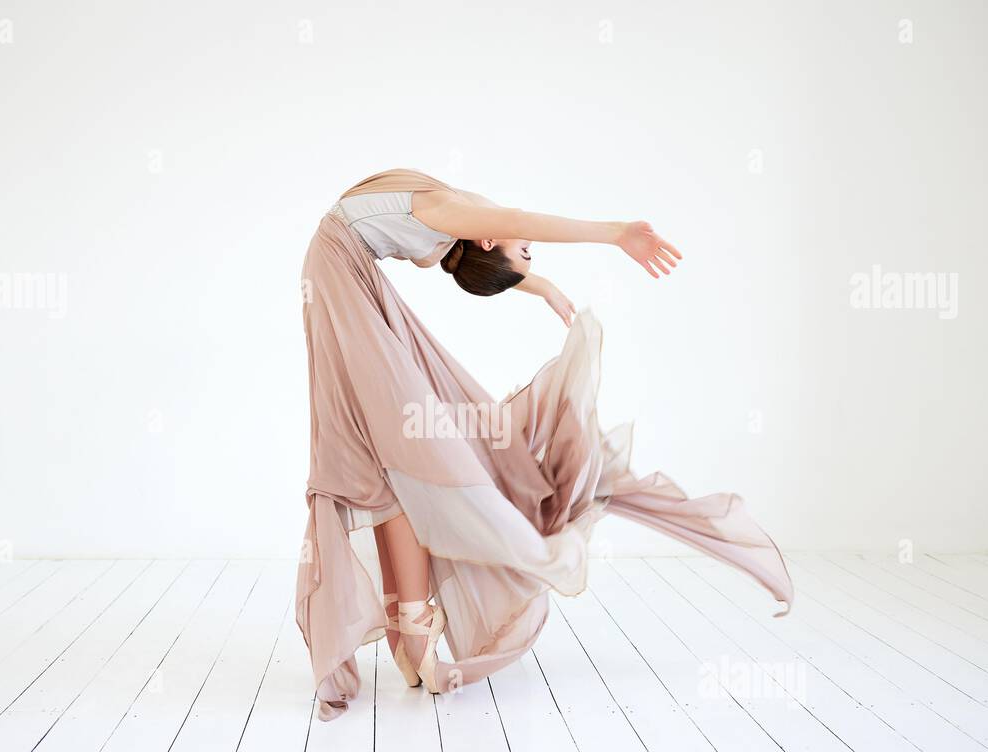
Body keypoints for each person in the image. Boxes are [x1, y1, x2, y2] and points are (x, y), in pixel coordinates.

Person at [297, 168, 792, 720]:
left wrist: (549, 276)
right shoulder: (444, 209)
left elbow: (501, 234)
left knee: (392, 454)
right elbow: (515, 222)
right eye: (528, 255)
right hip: (341, 282)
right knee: (405, 449)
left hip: (346, 281)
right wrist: (611, 235)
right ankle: (412, 628)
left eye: (526, 254)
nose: (530, 249)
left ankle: (406, 625)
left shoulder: (443, 227)